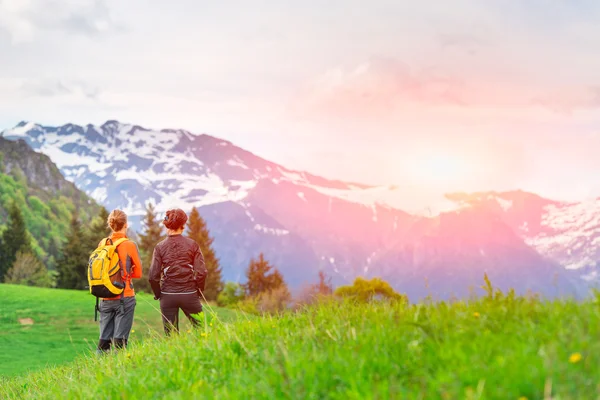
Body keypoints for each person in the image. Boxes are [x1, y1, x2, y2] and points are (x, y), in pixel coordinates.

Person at [149, 208, 207, 335]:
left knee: (171, 336)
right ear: (183, 226)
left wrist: (159, 294)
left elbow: (153, 276)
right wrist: (198, 291)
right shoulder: (193, 245)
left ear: (166, 225)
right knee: (202, 331)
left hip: (167, 295)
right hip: (190, 293)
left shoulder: (159, 247)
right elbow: (202, 272)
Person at [97, 209, 142, 354]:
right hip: (124, 296)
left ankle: (99, 372)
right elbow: (139, 273)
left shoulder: (103, 243)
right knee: (120, 343)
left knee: (104, 342)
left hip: (104, 297)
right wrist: (126, 274)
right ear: (126, 225)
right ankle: (120, 373)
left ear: (111, 225)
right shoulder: (129, 245)